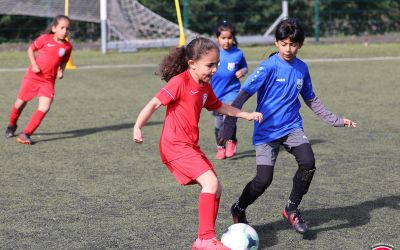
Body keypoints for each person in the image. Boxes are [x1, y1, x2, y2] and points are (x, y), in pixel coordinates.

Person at [218, 18, 357, 234]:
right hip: (266, 131)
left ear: (300, 45)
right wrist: (228, 125)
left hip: (292, 127)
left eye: (293, 44)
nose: (288, 49)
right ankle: (238, 207)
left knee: (308, 162)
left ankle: (291, 209)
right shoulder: (268, 67)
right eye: (284, 44)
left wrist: (335, 120)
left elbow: (311, 99)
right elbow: (243, 94)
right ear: (276, 43)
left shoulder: (302, 68)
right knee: (263, 180)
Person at [132, 37, 262, 249]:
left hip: (189, 146)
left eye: (216, 65)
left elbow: (220, 106)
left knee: (217, 187)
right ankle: (206, 238)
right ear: (192, 63)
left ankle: (202, 241)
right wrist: (138, 126)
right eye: (209, 65)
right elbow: (155, 103)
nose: (214, 70)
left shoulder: (204, 87)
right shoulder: (180, 82)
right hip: (174, 145)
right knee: (210, 183)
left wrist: (245, 114)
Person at [4, 15, 73, 144]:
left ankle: (25, 134)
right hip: (33, 77)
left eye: (67, 28)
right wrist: (34, 65)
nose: (65, 31)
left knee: (45, 107)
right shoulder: (44, 39)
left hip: (48, 81)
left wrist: (61, 71)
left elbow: (64, 61)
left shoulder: (68, 47)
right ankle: (12, 124)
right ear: (54, 28)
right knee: (20, 104)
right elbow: (31, 49)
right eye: (62, 28)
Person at [210, 21, 248, 160]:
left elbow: (245, 67)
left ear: (233, 38)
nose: (226, 41)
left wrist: (242, 71)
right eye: (223, 38)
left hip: (232, 92)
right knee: (218, 123)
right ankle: (220, 147)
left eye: (229, 38)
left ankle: (231, 141)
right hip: (215, 93)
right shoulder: (212, 52)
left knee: (228, 118)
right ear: (217, 39)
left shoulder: (238, 53)